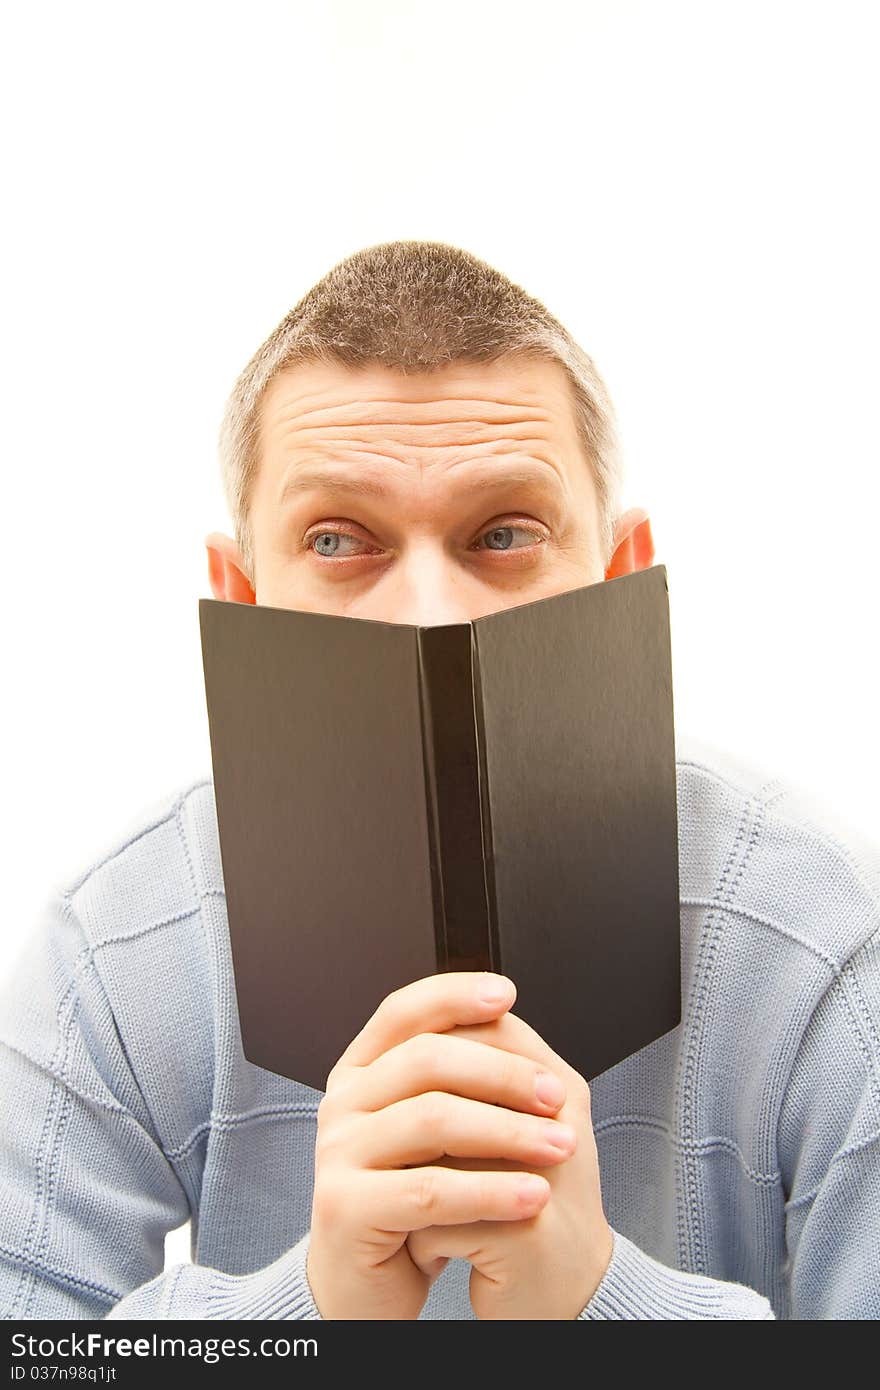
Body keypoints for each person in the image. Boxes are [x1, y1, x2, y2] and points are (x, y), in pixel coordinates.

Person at [2, 240, 878, 1320]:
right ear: (239, 596)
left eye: (504, 531)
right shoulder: (115, 947)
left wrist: (606, 1302)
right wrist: (312, 1308)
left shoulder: (825, 935)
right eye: (337, 539)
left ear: (618, 574)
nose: (430, 614)